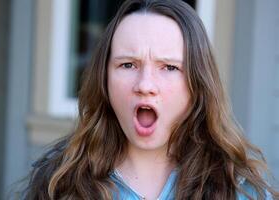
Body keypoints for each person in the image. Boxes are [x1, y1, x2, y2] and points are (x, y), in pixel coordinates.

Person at [23, 0, 279, 199]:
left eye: (168, 67)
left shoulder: (241, 192)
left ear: (197, 85)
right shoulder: (59, 183)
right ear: (104, 80)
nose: (145, 85)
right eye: (127, 64)